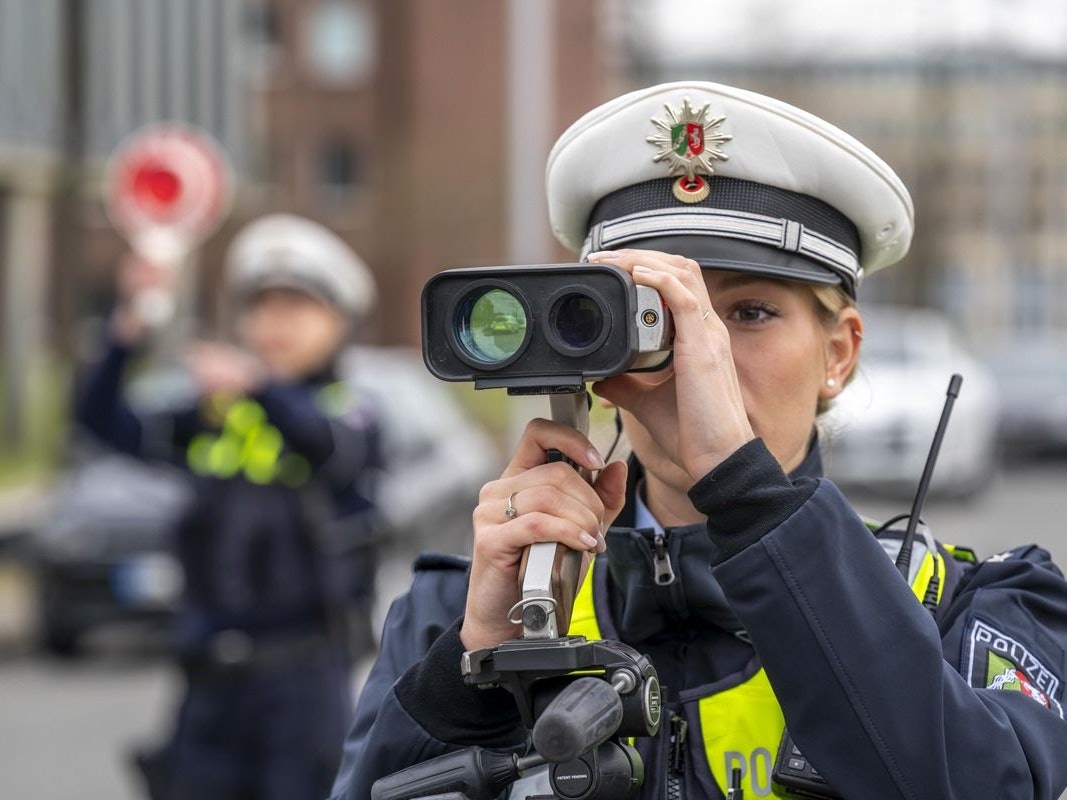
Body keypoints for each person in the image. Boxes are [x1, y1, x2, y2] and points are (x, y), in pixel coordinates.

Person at [330, 82, 1067, 799]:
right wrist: (474, 673)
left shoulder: (973, 608)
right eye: (657, 318)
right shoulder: (456, 612)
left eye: (746, 312)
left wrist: (747, 496)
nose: (700, 354)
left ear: (837, 354)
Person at [76, 213, 381, 800]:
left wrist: (257, 387)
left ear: (340, 321)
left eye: (296, 308)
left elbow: (326, 447)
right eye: (261, 307)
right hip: (209, 683)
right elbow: (102, 422)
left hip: (303, 685)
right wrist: (130, 328)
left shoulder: (351, 411)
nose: (273, 325)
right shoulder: (218, 415)